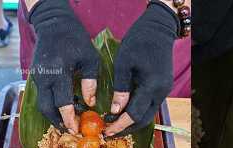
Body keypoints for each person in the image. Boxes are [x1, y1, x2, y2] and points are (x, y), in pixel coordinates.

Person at [17, 0, 191, 136]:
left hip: (161, 29)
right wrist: (48, 13)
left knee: (152, 103)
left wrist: (166, 17)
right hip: (52, 28)